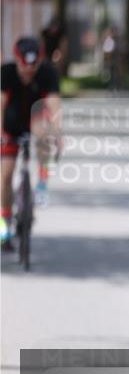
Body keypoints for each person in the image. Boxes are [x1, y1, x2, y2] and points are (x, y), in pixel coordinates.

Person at [1, 38, 62, 249]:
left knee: (46, 134)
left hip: (35, 121)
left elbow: (54, 106)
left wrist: (59, 135)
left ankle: (42, 184)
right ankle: (4, 226)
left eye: (33, 66)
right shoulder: (6, 73)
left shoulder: (47, 73)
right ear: (16, 61)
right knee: (5, 176)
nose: (28, 71)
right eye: (23, 66)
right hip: (10, 125)